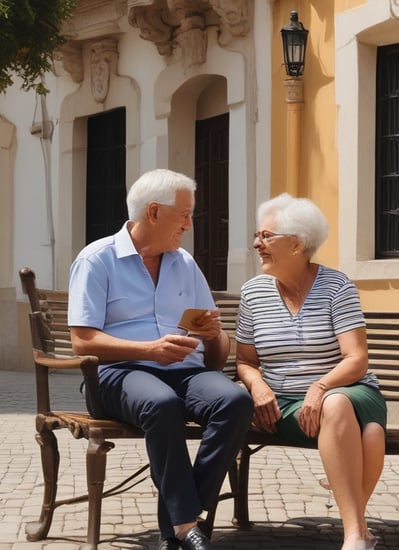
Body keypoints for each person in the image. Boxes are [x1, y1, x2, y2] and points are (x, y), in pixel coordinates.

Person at [68, 168, 253, 550]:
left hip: (186, 371)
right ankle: (186, 525)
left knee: (234, 401)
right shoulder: (97, 259)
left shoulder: (184, 262)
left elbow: (215, 355)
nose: (189, 223)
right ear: (153, 212)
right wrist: (148, 350)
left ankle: (180, 523)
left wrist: (214, 334)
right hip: (118, 373)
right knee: (162, 404)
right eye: (184, 213)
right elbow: (82, 341)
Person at [235, 193, 387, 550]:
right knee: (373, 436)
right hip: (284, 404)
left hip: (352, 390)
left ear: (297, 244)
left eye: (266, 236)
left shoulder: (336, 286)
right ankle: (360, 530)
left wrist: (320, 387)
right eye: (258, 236)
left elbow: (356, 359)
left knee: (336, 405)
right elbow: (245, 360)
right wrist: (257, 386)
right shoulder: (253, 293)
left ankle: (352, 537)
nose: (257, 244)